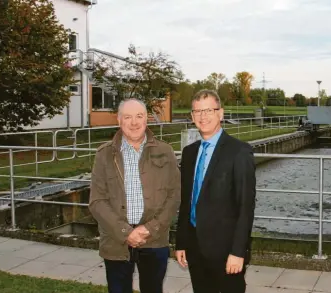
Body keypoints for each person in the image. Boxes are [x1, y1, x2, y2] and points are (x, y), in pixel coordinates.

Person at [88, 98, 181, 293]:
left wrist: (150, 228)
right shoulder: (104, 155)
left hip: (154, 239)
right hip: (116, 240)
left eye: (139, 116)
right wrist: (126, 233)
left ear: (146, 119)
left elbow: (174, 196)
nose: (134, 122)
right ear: (119, 120)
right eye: (128, 117)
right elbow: (97, 201)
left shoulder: (165, 151)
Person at [175, 89, 256, 293]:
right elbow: (186, 201)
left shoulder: (239, 151)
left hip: (226, 251)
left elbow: (245, 206)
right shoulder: (189, 152)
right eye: (198, 111)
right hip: (194, 247)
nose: (203, 116)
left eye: (209, 110)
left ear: (221, 113)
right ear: (192, 116)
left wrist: (238, 252)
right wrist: (181, 242)